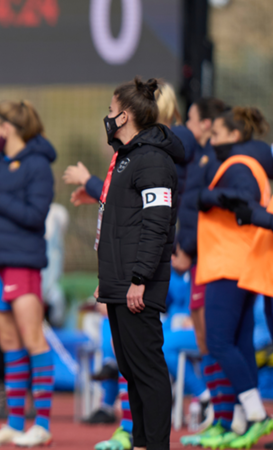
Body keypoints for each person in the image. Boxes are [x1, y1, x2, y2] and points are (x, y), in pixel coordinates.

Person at [95, 77, 184, 450]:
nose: (109, 117)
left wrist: (138, 279)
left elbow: (156, 224)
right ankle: (142, 442)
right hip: (119, 281)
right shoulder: (127, 157)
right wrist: (110, 279)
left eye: (113, 111)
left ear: (126, 115)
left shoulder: (152, 160)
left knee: (147, 370)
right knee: (130, 370)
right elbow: (117, 227)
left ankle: (156, 444)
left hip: (138, 285)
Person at [0, 100, 57, 448]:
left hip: (22, 263)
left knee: (33, 339)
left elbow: (36, 215)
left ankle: (42, 424)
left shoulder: (38, 165)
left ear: (8, 127)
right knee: (8, 344)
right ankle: (13, 422)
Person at [193, 106, 273, 449]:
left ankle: (255, 415)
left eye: (216, 135)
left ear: (235, 136)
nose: (211, 141)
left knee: (220, 342)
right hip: (241, 261)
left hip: (229, 263)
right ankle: (241, 421)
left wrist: (207, 197)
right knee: (238, 342)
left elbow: (245, 199)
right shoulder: (248, 162)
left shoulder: (239, 164)